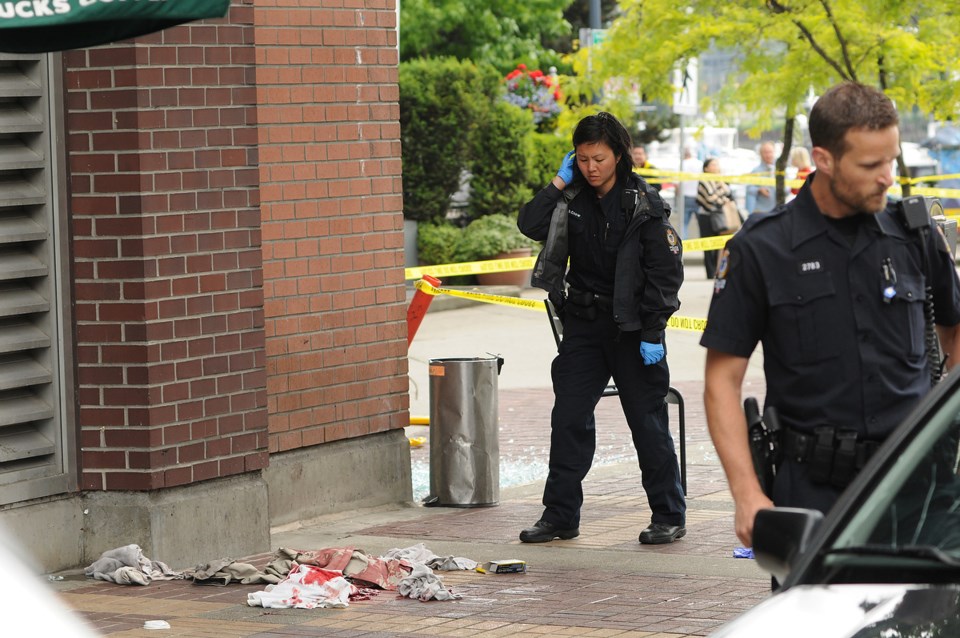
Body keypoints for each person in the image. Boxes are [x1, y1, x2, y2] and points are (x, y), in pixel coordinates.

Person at [700, 82, 960, 550]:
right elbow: (721, 382)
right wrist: (746, 493)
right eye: (870, 165)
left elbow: (955, 328)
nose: (887, 178)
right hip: (813, 494)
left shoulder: (914, 233)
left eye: (891, 160)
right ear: (823, 160)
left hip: (918, 487)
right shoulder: (762, 248)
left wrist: (946, 428)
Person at [517, 112, 686, 545]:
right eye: (583, 158)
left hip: (633, 331)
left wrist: (653, 332)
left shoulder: (643, 205)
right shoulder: (571, 197)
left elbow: (665, 275)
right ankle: (560, 517)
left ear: (619, 157)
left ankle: (668, 514)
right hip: (585, 327)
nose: (591, 167)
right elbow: (529, 224)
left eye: (599, 158)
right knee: (569, 419)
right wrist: (559, 181)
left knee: (647, 425)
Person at [694, 157, 736, 279]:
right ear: (706, 168)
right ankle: (710, 273)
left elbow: (729, 194)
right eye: (712, 165)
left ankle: (720, 270)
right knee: (707, 245)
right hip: (706, 216)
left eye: (716, 164)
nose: (715, 167)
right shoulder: (703, 180)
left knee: (721, 245)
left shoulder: (722, 180)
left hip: (721, 216)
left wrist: (721, 192)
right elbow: (709, 198)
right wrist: (723, 198)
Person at [744, 141, 776, 214]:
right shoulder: (756, 171)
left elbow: (788, 188)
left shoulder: (780, 170)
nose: (768, 155)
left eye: (770, 152)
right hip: (762, 211)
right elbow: (749, 189)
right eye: (765, 152)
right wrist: (759, 190)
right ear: (761, 154)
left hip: (779, 210)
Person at [680, 146, 701, 240]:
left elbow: (677, 183)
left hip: (685, 196)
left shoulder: (682, 164)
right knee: (701, 224)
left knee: (684, 223)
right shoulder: (700, 163)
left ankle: (683, 243)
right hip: (698, 197)